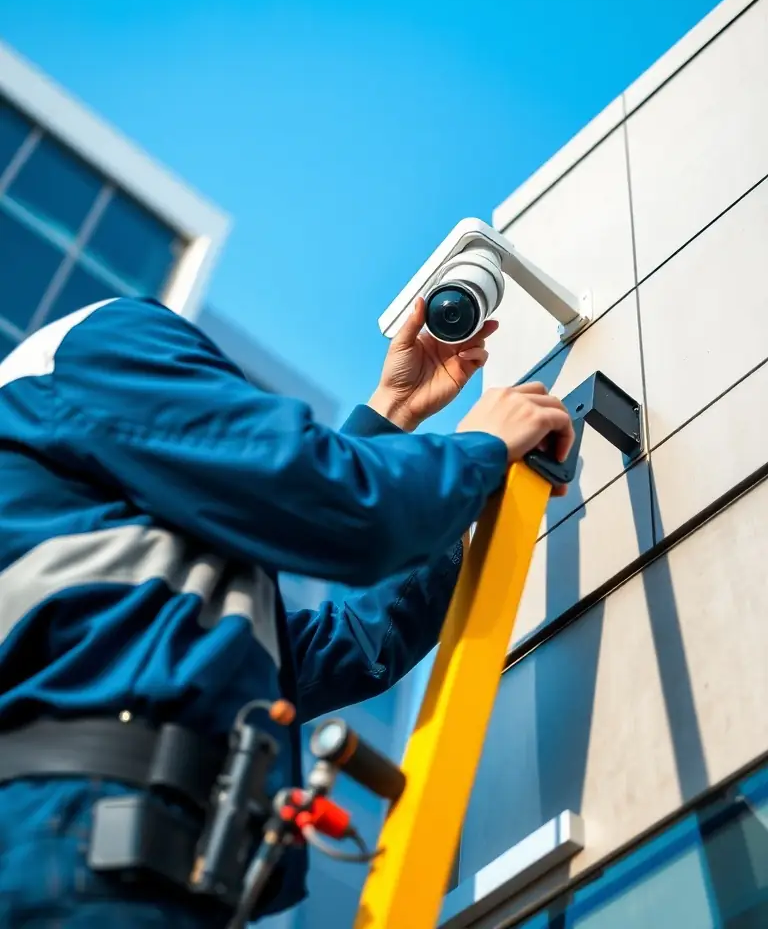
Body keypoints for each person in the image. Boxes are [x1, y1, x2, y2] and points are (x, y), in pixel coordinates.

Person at [0, 293, 573, 927]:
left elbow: (355, 641)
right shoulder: (95, 344)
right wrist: (480, 449)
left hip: (116, 852)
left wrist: (392, 415)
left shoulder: (109, 585)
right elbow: (338, 505)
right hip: (89, 846)